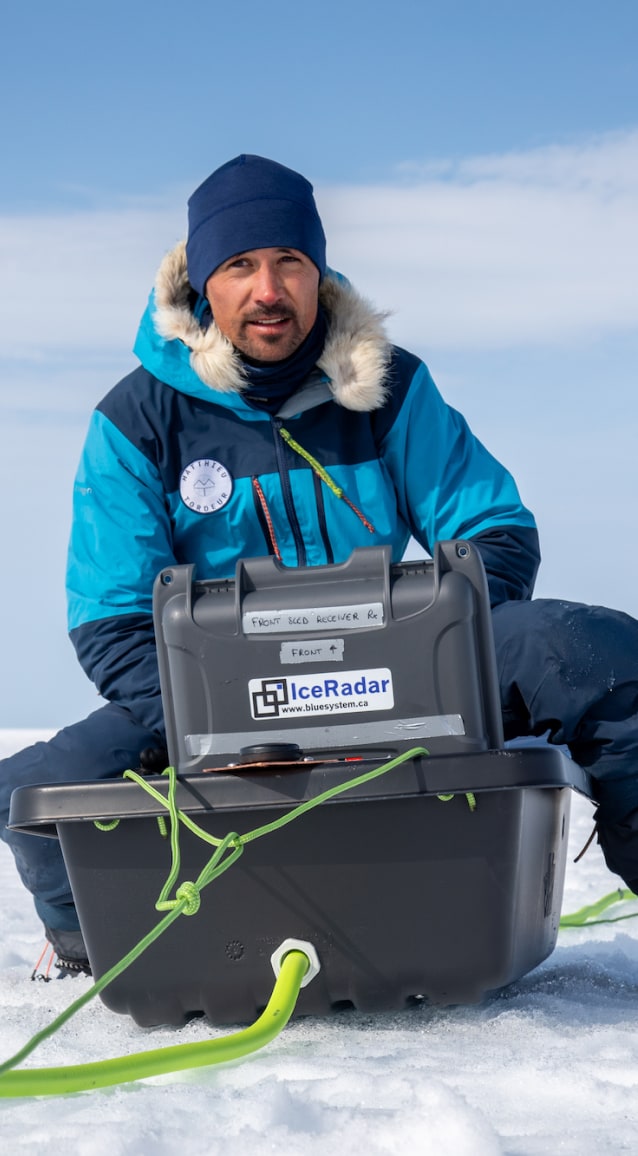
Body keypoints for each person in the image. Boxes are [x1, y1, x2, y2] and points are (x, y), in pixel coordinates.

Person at [3, 154, 638, 975]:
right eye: (240, 265)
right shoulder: (134, 420)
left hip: (398, 665)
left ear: (318, 272)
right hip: (217, 694)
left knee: (590, 652)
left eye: (288, 262)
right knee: (47, 787)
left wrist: (421, 655)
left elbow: (494, 528)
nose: (268, 289)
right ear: (203, 282)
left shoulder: (392, 385)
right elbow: (111, 615)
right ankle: (90, 946)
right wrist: (233, 700)